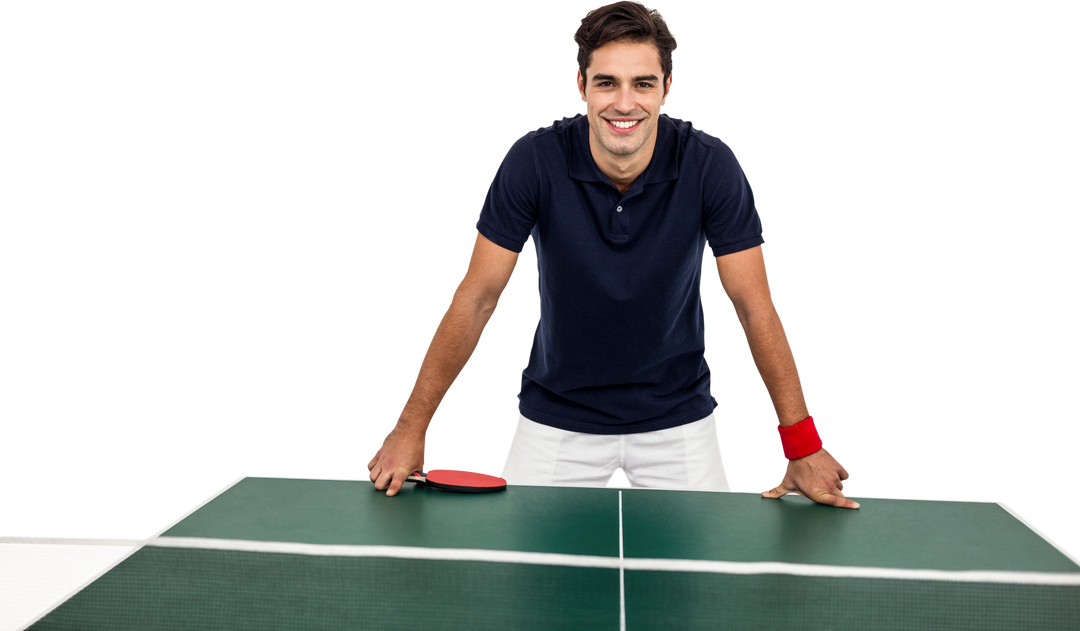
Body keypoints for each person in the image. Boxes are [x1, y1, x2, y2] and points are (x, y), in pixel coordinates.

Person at [366, 0, 856, 509]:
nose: (625, 103)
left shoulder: (712, 165)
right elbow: (477, 299)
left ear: (668, 88)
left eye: (643, 84)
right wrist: (410, 428)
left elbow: (755, 307)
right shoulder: (532, 160)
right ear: (579, 85)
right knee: (524, 583)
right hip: (556, 416)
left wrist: (802, 445)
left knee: (704, 586)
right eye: (607, 83)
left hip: (678, 417)